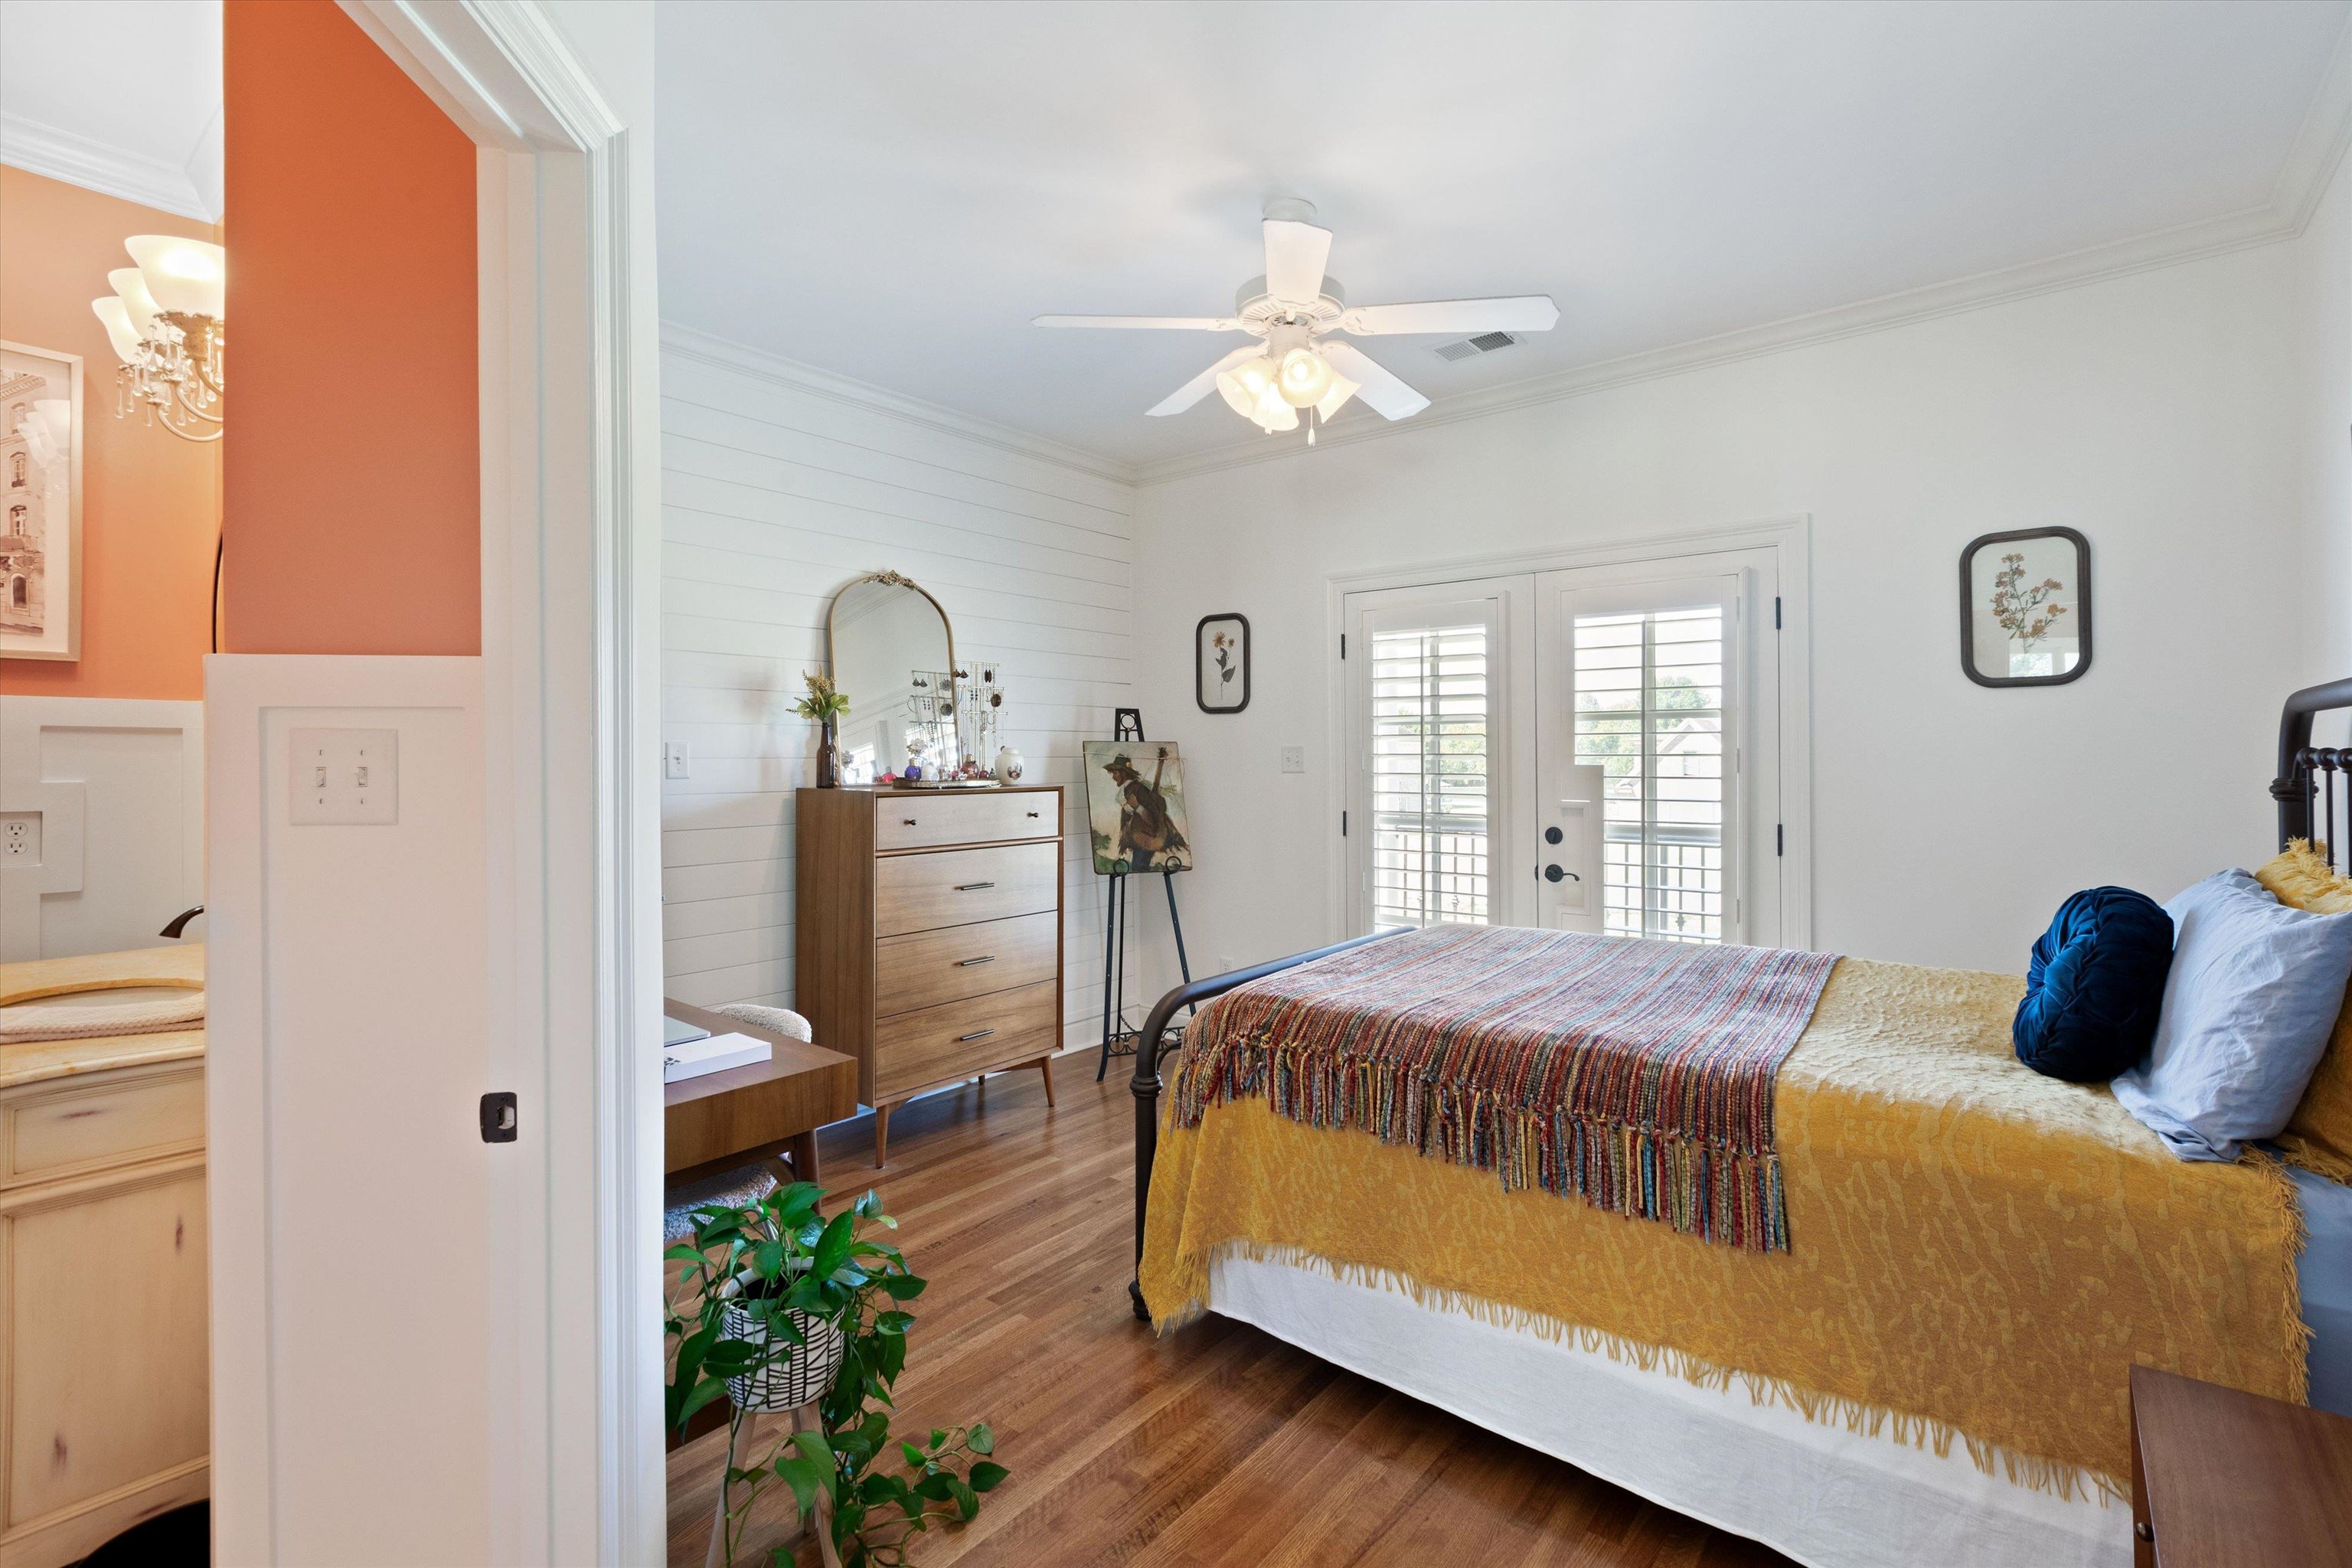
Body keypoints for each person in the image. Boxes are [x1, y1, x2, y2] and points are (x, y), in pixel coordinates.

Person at [1103, 746, 1189, 871]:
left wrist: (1138, 806)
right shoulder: (1129, 790)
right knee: (1138, 867)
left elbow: (1154, 814)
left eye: (1115, 773)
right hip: (1138, 841)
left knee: (1138, 867)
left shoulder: (1138, 789)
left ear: (1123, 772)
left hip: (1145, 841)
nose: (1113, 777)